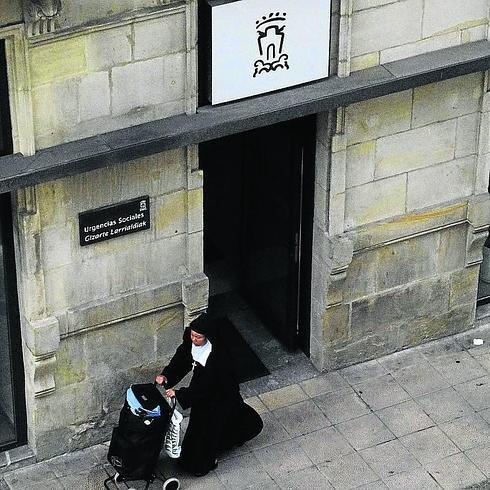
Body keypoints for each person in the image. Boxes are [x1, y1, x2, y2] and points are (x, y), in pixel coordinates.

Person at [155, 313, 263, 476]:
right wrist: (167, 376)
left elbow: (206, 385)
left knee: (207, 430)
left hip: (220, 396)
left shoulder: (218, 357)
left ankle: (202, 464)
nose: (193, 339)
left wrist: (179, 394)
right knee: (202, 428)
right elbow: (182, 359)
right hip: (204, 395)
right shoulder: (191, 342)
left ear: (208, 336)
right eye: (192, 335)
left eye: (198, 337)